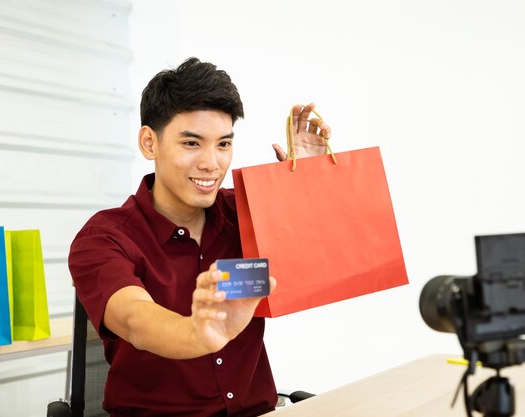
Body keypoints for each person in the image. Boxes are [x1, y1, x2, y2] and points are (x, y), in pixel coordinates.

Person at [68, 57, 331, 417]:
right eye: (192, 144)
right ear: (150, 143)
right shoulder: (104, 238)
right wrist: (196, 333)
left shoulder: (245, 214)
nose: (212, 163)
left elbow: (312, 262)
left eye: (223, 144)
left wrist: (301, 187)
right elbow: (135, 319)